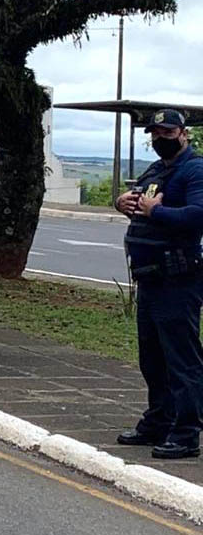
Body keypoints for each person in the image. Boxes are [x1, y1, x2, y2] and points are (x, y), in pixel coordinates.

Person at [115, 109, 203, 460]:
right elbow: (138, 198)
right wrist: (123, 202)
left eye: (167, 133)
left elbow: (197, 215)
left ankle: (186, 433)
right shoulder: (155, 170)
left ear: (183, 134)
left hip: (177, 278)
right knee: (152, 358)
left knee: (182, 360)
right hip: (149, 277)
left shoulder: (194, 169)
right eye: (155, 133)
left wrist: (157, 212)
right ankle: (159, 420)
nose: (159, 139)